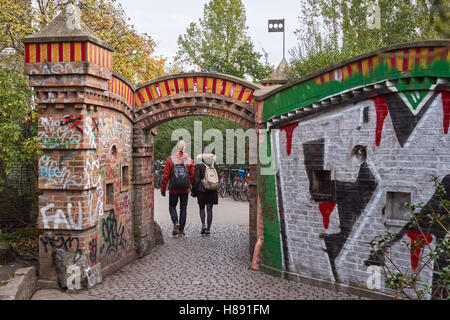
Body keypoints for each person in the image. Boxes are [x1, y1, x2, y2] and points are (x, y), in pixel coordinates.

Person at [160, 140, 194, 237]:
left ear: (176, 148)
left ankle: (175, 223)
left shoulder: (170, 160)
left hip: (173, 189)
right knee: (183, 208)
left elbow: (165, 176)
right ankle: (181, 231)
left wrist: (163, 189)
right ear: (184, 148)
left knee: (172, 206)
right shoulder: (189, 160)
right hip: (185, 189)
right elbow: (192, 176)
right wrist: (193, 189)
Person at [192, 149, 219, 236]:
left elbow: (196, 179)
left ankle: (203, 224)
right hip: (212, 189)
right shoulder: (214, 164)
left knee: (202, 208)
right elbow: (218, 177)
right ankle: (208, 229)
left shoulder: (199, 164)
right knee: (210, 209)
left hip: (201, 190)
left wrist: (193, 191)